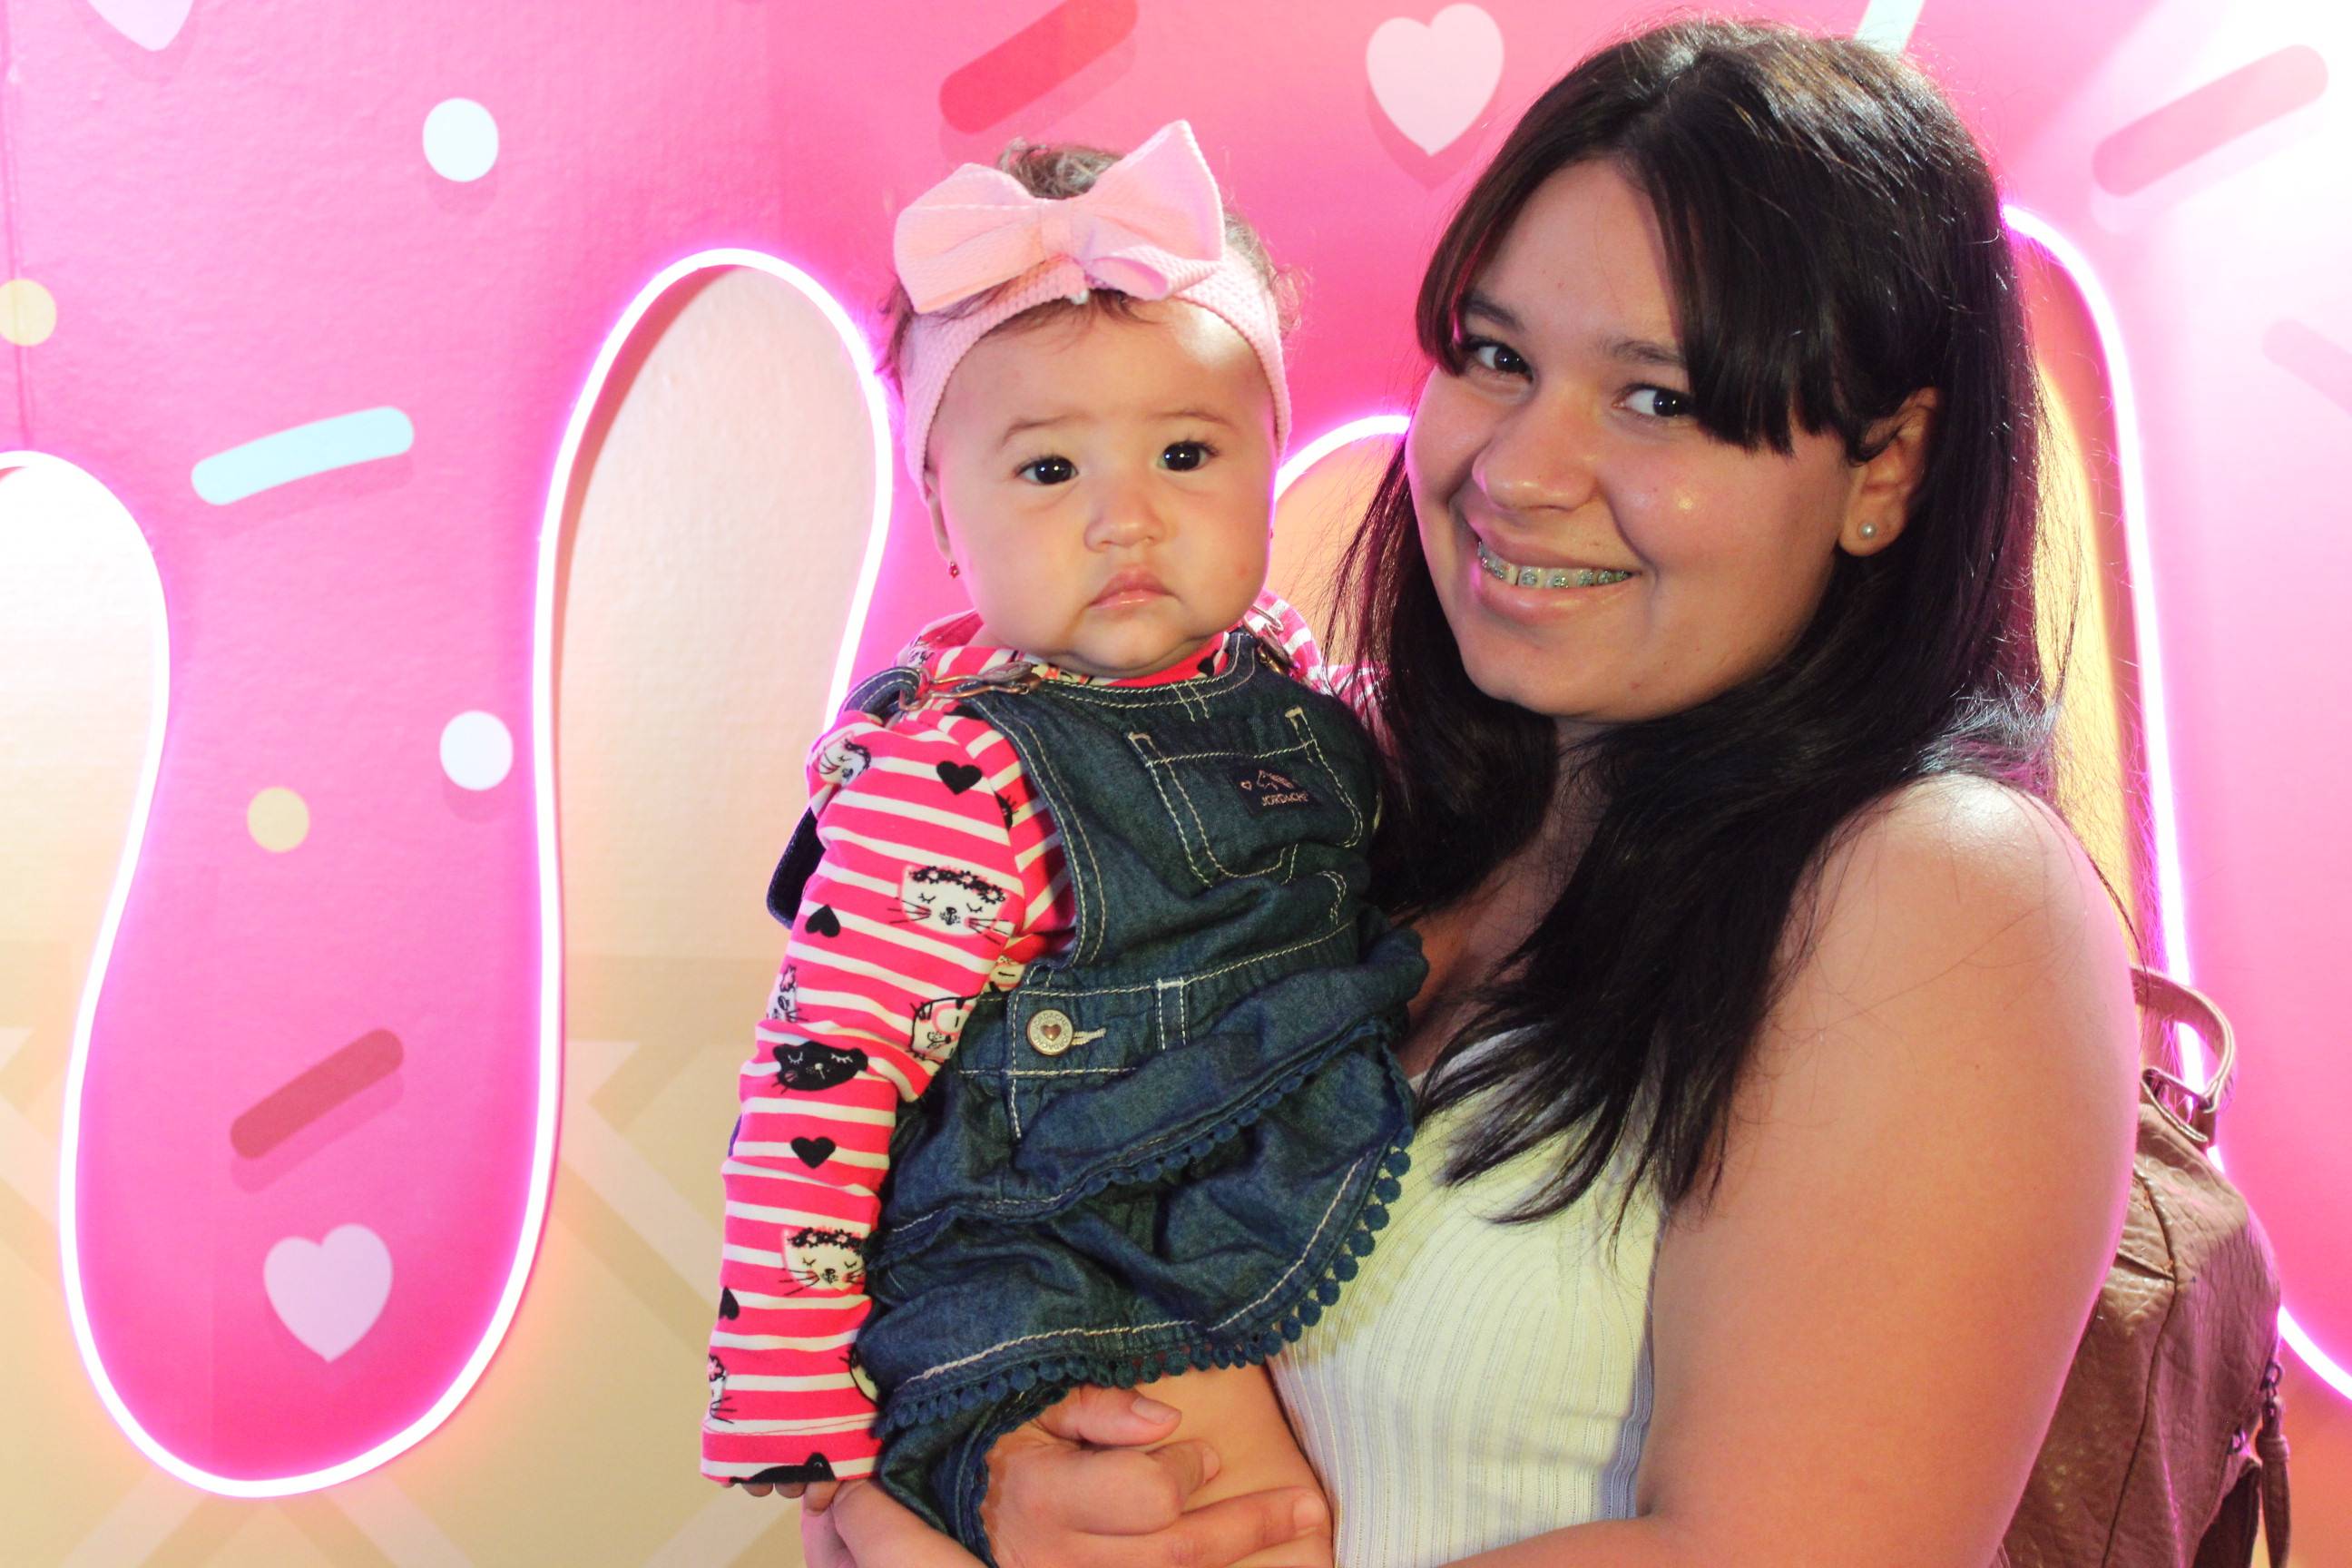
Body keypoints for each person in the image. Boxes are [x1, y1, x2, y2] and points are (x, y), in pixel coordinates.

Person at [805, 18, 2141, 1568]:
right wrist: (980, 1483)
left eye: (1658, 398)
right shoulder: (1316, 805)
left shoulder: (1939, 890)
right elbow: (936, 1275)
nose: (1520, 469)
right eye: (1497, 358)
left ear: (1885, 467)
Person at [700, 119, 1426, 1565]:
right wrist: (798, 1404)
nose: (1125, 519)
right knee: (1242, 1523)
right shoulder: (957, 775)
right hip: (1049, 1277)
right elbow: (820, 1076)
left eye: (1185, 453)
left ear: (1267, 467)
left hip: (1220, 1202)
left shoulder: (1286, 677)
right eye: (1047, 472)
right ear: (943, 512)